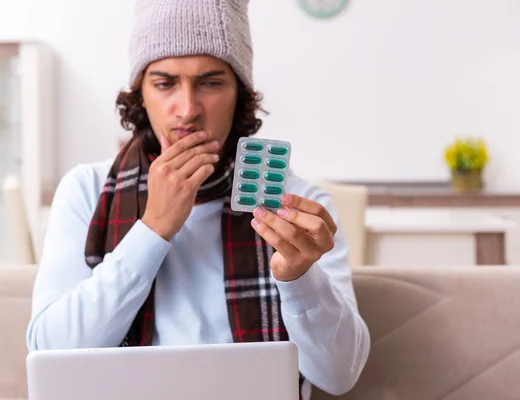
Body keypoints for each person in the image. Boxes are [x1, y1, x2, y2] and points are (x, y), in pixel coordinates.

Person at [25, 0, 370, 397]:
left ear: (240, 93)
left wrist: (299, 279)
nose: (187, 110)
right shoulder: (86, 190)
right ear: (140, 94)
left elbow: (339, 376)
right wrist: (152, 230)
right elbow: (51, 354)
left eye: (211, 82)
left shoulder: (297, 204)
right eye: (164, 83)